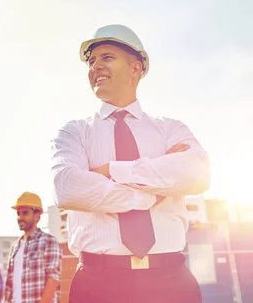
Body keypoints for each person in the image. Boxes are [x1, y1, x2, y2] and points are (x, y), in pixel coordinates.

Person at [51, 24, 211, 303]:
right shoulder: (73, 132)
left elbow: (198, 173)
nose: (95, 67)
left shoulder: (170, 129)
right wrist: (153, 190)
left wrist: (114, 171)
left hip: (171, 283)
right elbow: (67, 188)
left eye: (107, 57)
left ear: (135, 68)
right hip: (98, 285)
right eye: (91, 61)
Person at [4, 192, 62, 303]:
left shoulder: (49, 242)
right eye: (18, 213)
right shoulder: (15, 247)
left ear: (37, 216)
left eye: (25, 213)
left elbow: (53, 279)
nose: (20, 217)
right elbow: (9, 286)